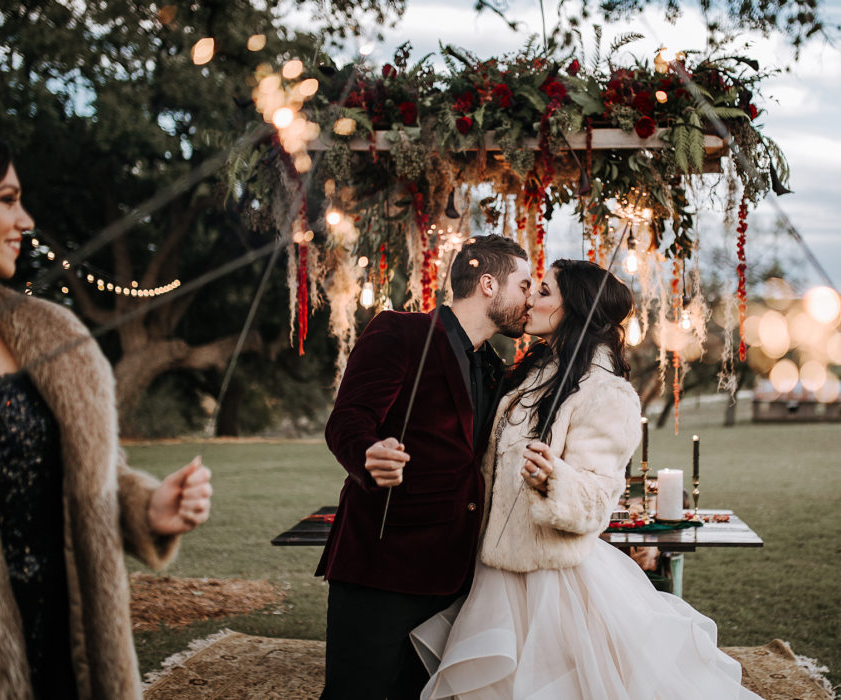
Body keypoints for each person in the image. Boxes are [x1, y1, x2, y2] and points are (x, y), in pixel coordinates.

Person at [412, 259, 762, 700]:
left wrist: (553, 478)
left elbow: (599, 496)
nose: (530, 300)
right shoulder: (536, 373)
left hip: (549, 582)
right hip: (496, 566)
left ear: (571, 310)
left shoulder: (606, 391)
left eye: (543, 292)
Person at [0, 124, 213, 699]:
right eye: (6, 200)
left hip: (69, 658)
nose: (25, 221)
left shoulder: (53, 338)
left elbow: (85, 473)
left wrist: (147, 505)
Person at [318, 234, 533, 700]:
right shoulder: (400, 330)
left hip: (454, 572)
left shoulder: (495, 367)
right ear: (489, 284)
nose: (529, 298)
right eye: (524, 285)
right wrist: (368, 454)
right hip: (382, 562)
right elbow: (348, 420)